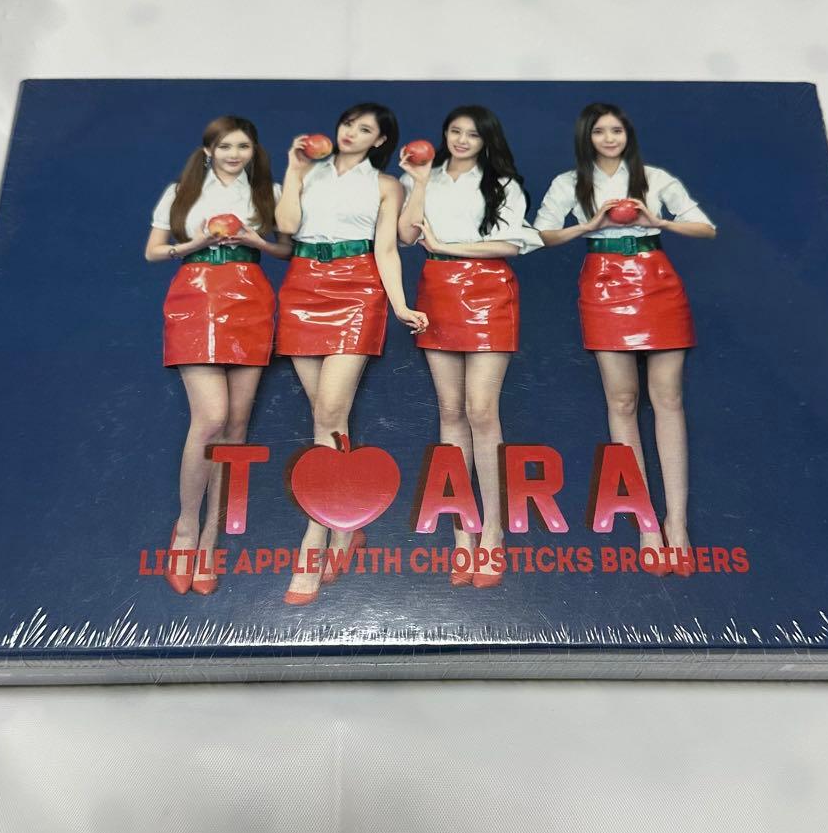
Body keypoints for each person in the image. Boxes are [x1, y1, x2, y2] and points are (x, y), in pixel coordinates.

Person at [534, 103, 716, 575]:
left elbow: (705, 227)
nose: (610, 138)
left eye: (617, 130)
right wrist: (590, 225)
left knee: (668, 399)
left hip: (657, 279)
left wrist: (660, 220)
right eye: (600, 131)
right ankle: (646, 524)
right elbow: (542, 234)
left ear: (628, 134)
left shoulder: (655, 178)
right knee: (622, 401)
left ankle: (678, 524)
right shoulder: (569, 183)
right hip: (602, 282)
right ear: (587, 137)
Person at [276, 102, 428, 605]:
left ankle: (313, 538)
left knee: (329, 413)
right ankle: (345, 524)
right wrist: (293, 170)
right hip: (302, 286)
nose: (351, 133)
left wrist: (400, 305)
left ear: (379, 140)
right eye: (348, 124)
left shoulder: (386, 186)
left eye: (365, 129)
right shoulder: (307, 172)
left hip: (357, 290)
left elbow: (387, 248)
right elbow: (285, 226)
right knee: (326, 420)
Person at [145, 115, 292, 595]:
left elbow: (286, 249)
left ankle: (210, 540)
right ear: (208, 150)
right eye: (225, 146)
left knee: (236, 427)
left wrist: (254, 240)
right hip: (196, 294)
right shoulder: (181, 191)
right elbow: (153, 251)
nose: (234, 154)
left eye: (243, 146)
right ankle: (187, 528)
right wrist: (197, 243)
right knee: (210, 418)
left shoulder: (268, 191)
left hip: (250, 296)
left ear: (253, 151)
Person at [398, 105, 541, 587]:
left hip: (488, 292)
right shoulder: (425, 177)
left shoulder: (503, 184)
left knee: (482, 410)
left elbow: (511, 246)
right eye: (455, 131)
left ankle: (494, 532)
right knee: (450, 411)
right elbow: (405, 235)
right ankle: (463, 534)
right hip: (437, 292)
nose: (461, 140)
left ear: (486, 141)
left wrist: (447, 246)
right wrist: (419, 183)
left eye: (473, 135)